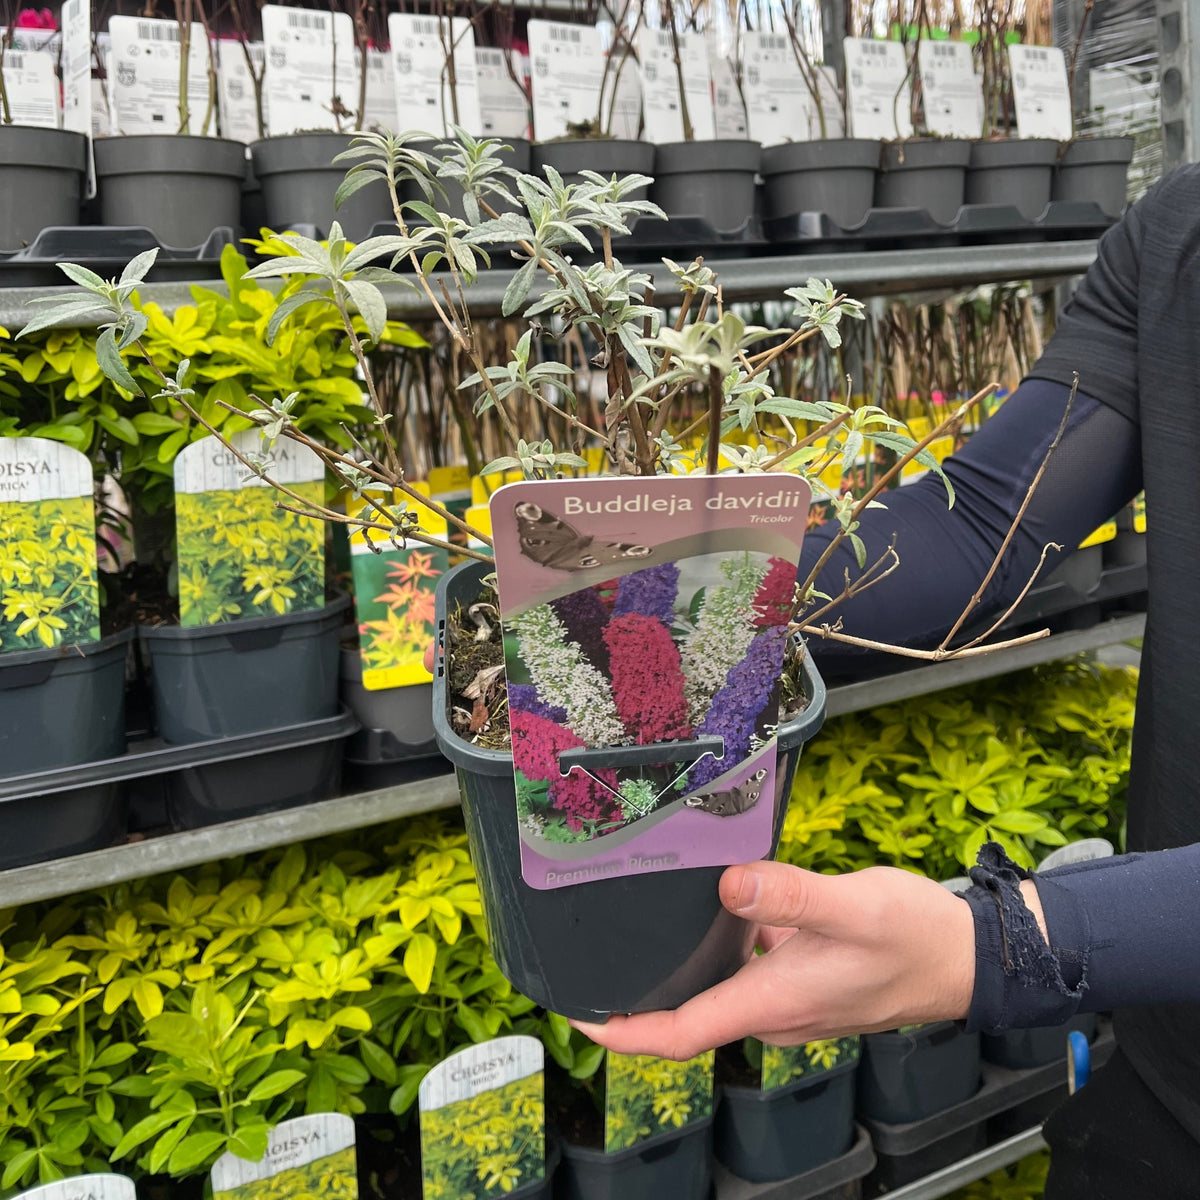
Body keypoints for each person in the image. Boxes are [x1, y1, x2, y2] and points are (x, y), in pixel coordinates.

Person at [572, 163, 1200, 1198]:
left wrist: (991, 949)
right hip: (1172, 1086)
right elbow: (983, 526)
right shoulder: (1180, 231)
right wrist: (649, 611)